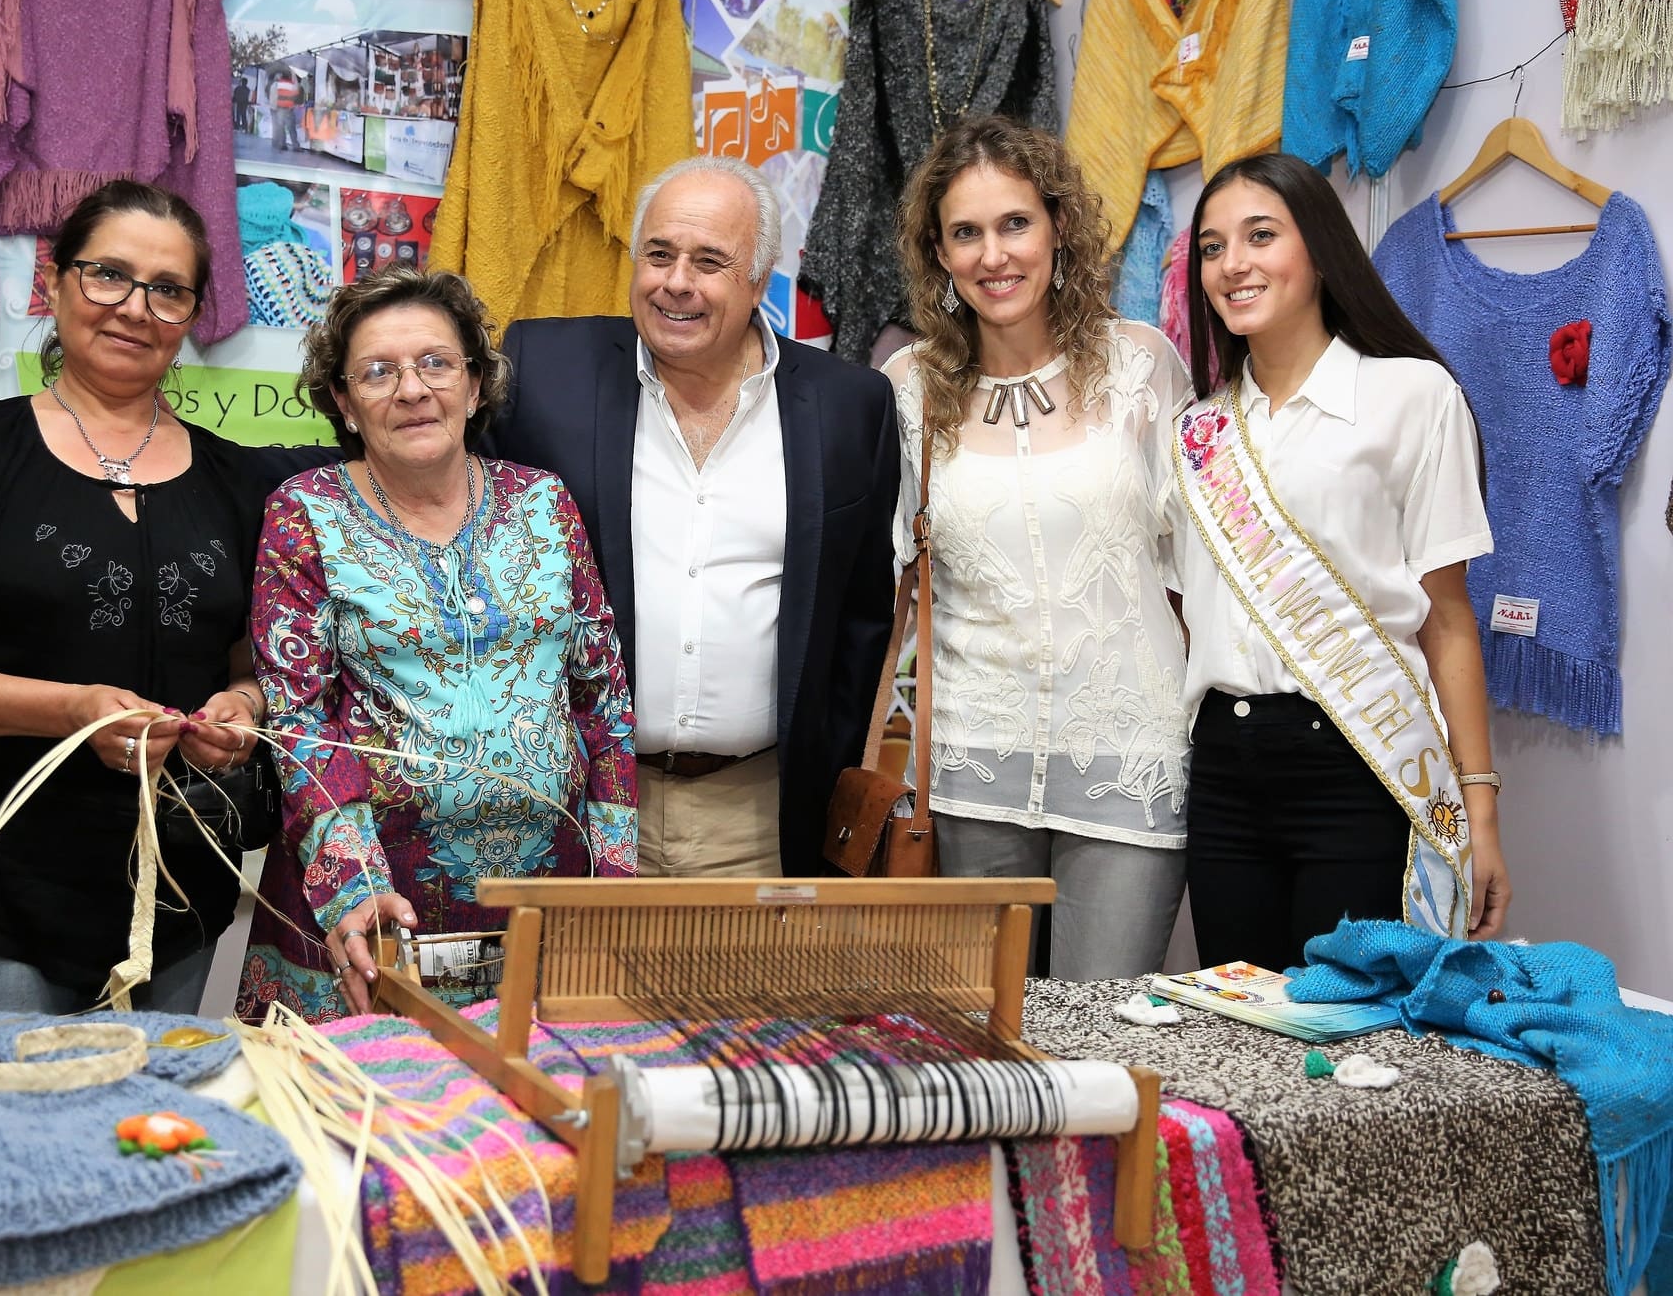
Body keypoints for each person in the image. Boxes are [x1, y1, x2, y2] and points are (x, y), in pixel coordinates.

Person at [0, 180, 271, 1020]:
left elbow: (250, 665)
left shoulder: (235, 479)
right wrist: (70, 709)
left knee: (152, 1136)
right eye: (107, 274)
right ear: (55, 283)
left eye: (168, 289)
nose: (135, 308)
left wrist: (243, 707)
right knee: (13, 1130)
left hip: (180, 886)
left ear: (191, 315)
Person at [236, 265, 636, 1023]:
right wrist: (355, 893)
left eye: (436, 363)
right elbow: (301, 720)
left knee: (530, 1124)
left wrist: (611, 879)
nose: (413, 389)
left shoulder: (546, 501)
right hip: (376, 910)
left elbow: (604, 700)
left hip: (543, 905)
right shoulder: (304, 513)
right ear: (345, 404)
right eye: (378, 372)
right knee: (370, 1129)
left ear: (477, 386)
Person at [491, 156, 900, 878]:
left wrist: (826, 772)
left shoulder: (849, 406)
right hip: (581, 806)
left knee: (749, 998)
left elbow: (863, 619)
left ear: (758, 276)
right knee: (576, 995)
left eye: (709, 261)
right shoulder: (544, 368)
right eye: (658, 253)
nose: (676, 281)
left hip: (759, 821)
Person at [1172, 152, 1510, 972]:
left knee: (1354, 1029)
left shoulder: (1413, 396)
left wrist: (1479, 808)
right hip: (1222, 768)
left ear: (1321, 249)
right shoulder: (1193, 433)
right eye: (1212, 247)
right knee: (1242, 1028)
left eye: (1260, 235)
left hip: (1359, 763)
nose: (1233, 265)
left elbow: (1450, 619)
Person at [887, 115, 1191, 979]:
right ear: (939, 256)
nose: (995, 255)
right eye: (966, 233)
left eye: (1015, 223)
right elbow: (885, 585)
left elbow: (1197, 573)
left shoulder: (1142, 367)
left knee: (1108, 1047)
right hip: (971, 764)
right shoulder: (907, 392)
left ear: (1059, 225)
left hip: (1132, 755)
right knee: (990, 1054)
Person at [270, 70, 300, 152]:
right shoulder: (290, 84)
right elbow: (296, 91)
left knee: (281, 128)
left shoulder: (276, 85)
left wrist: (274, 107)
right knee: (292, 128)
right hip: (289, 108)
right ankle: (295, 146)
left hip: (279, 108)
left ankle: (283, 145)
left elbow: (274, 97)